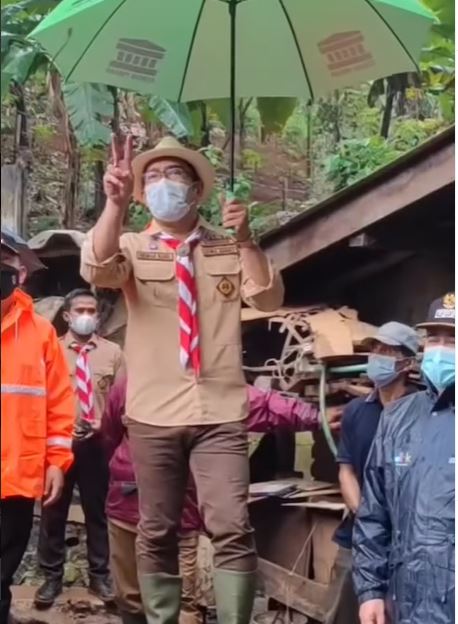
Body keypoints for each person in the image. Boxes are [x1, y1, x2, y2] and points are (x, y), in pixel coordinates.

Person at [80, 133, 284, 624]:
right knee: (157, 529)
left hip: (220, 411)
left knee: (231, 525)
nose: (162, 183)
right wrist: (114, 205)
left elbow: (267, 297)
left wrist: (247, 239)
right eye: (151, 176)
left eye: (173, 175)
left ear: (196, 190)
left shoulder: (225, 244)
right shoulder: (132, 244)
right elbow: (98, 269)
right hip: (153, 413)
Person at [102, 375, 342, 624]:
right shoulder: (140, 380)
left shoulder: (204, 382)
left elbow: (260, 404)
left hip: (166, 508)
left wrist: (316, 416)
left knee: (167, 601)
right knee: (137, 597)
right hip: (135, 503)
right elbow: (110, 432)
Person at [353, 294, 455, 624]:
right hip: (406, 604)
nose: (441, 349)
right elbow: (374, 513)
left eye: (452, 340)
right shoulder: (397, 418)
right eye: (434, 339)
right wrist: (370, 591)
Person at [0, 230, 75, 624]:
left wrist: (56, 461)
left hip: (17, 473)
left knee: (5, 564)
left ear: (21, 273)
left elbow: (59, 404)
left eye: (4, 264)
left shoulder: (41, 333)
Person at [35, 289, 125, 607]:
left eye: (91, 310)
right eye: (80, 310)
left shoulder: (113, 353)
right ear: (67, 316)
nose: (86, 316)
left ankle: (100, 576)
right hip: (58, 443)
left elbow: (121, 399)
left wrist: (106, 423)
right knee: (53, 511)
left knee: (98, 511)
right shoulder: (51, 349)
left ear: (98, 316)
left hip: (98, 443)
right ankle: (51, 577)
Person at [329, 322, 419, 624]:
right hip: (357, 538)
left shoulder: (421, 410)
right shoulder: (357, 411)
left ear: (407, 363)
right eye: (375, 349)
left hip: (407, 542)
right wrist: (366, 515)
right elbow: (346, 471)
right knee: (344, 613)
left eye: (388, 351)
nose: (377, 356)